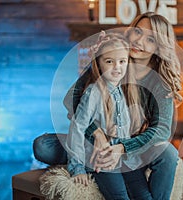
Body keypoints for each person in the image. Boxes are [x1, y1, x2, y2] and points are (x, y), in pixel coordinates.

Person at [33, 12, 182, 200]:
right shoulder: (112, 56)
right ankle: (91, 159)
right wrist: (97, 135)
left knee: (168, 152)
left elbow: (161, 131)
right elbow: (71, 100)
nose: (139, 41)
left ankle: (102, 160)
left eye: (150, 39)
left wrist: (120, 148)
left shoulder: (159, 82)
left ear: (159, 47)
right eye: (138, 32)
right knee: (42, 145)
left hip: (132, 146)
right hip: (98, 140)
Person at [64, 31, 144, 186]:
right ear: (99, 64)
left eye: (122, 61)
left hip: (120, 160)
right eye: (109, 61)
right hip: (100, 161)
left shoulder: (122, 92)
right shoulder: (93, 92)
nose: (117, 67)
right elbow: (77, 127)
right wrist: (77, 167)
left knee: (143, 193)